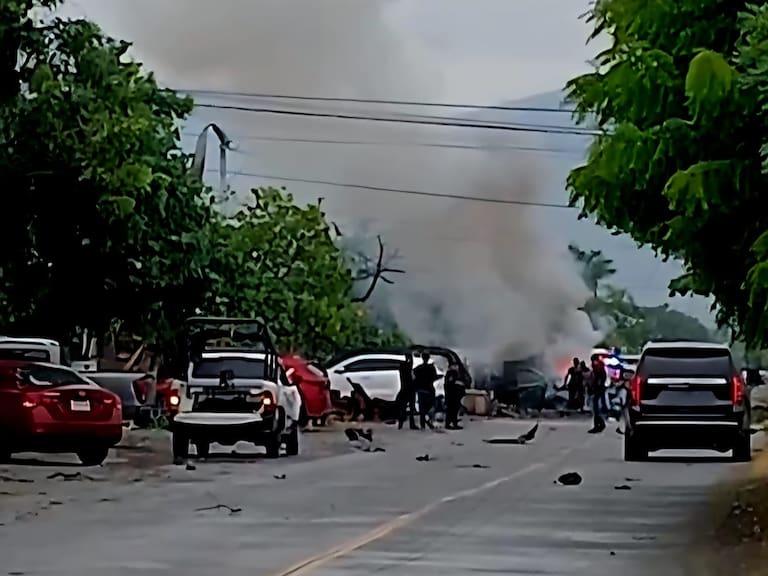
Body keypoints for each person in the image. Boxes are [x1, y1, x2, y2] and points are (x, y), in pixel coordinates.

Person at [413, 352, 439, 430]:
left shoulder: (418, 368)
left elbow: (414, 376)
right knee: (431, 406)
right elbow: (434, 377)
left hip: (420, 390)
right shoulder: (431, 368)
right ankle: (428, 420)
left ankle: (422, 424)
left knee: (422, 408)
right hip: (429, 389)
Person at [396, 357, 418, 430]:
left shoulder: (402, 371)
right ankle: (412, 424)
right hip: (410, 390)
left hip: (404, 390)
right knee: (411, 408)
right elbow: (411, 364)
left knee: (403, 408)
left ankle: (400, 424)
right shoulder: (409, 372)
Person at [588, 353, 607, 433]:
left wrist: (594, 387)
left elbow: (598, 379)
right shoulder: (600, 367)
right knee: (596, 409)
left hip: (597, 390)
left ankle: (597, 426)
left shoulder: (598, 367)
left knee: (596, 409)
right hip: (599, 389)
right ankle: (601, 424)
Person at [444, 362, 466, 430]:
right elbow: (451, 383)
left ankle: (452, 423)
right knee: (452, 410)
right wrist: (459, 384)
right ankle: (451, 424)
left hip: (452, 395)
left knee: (453, 410)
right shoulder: (452, 373)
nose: (456, 367)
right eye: (455, 365)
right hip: (453, 395)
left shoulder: (452, 373)